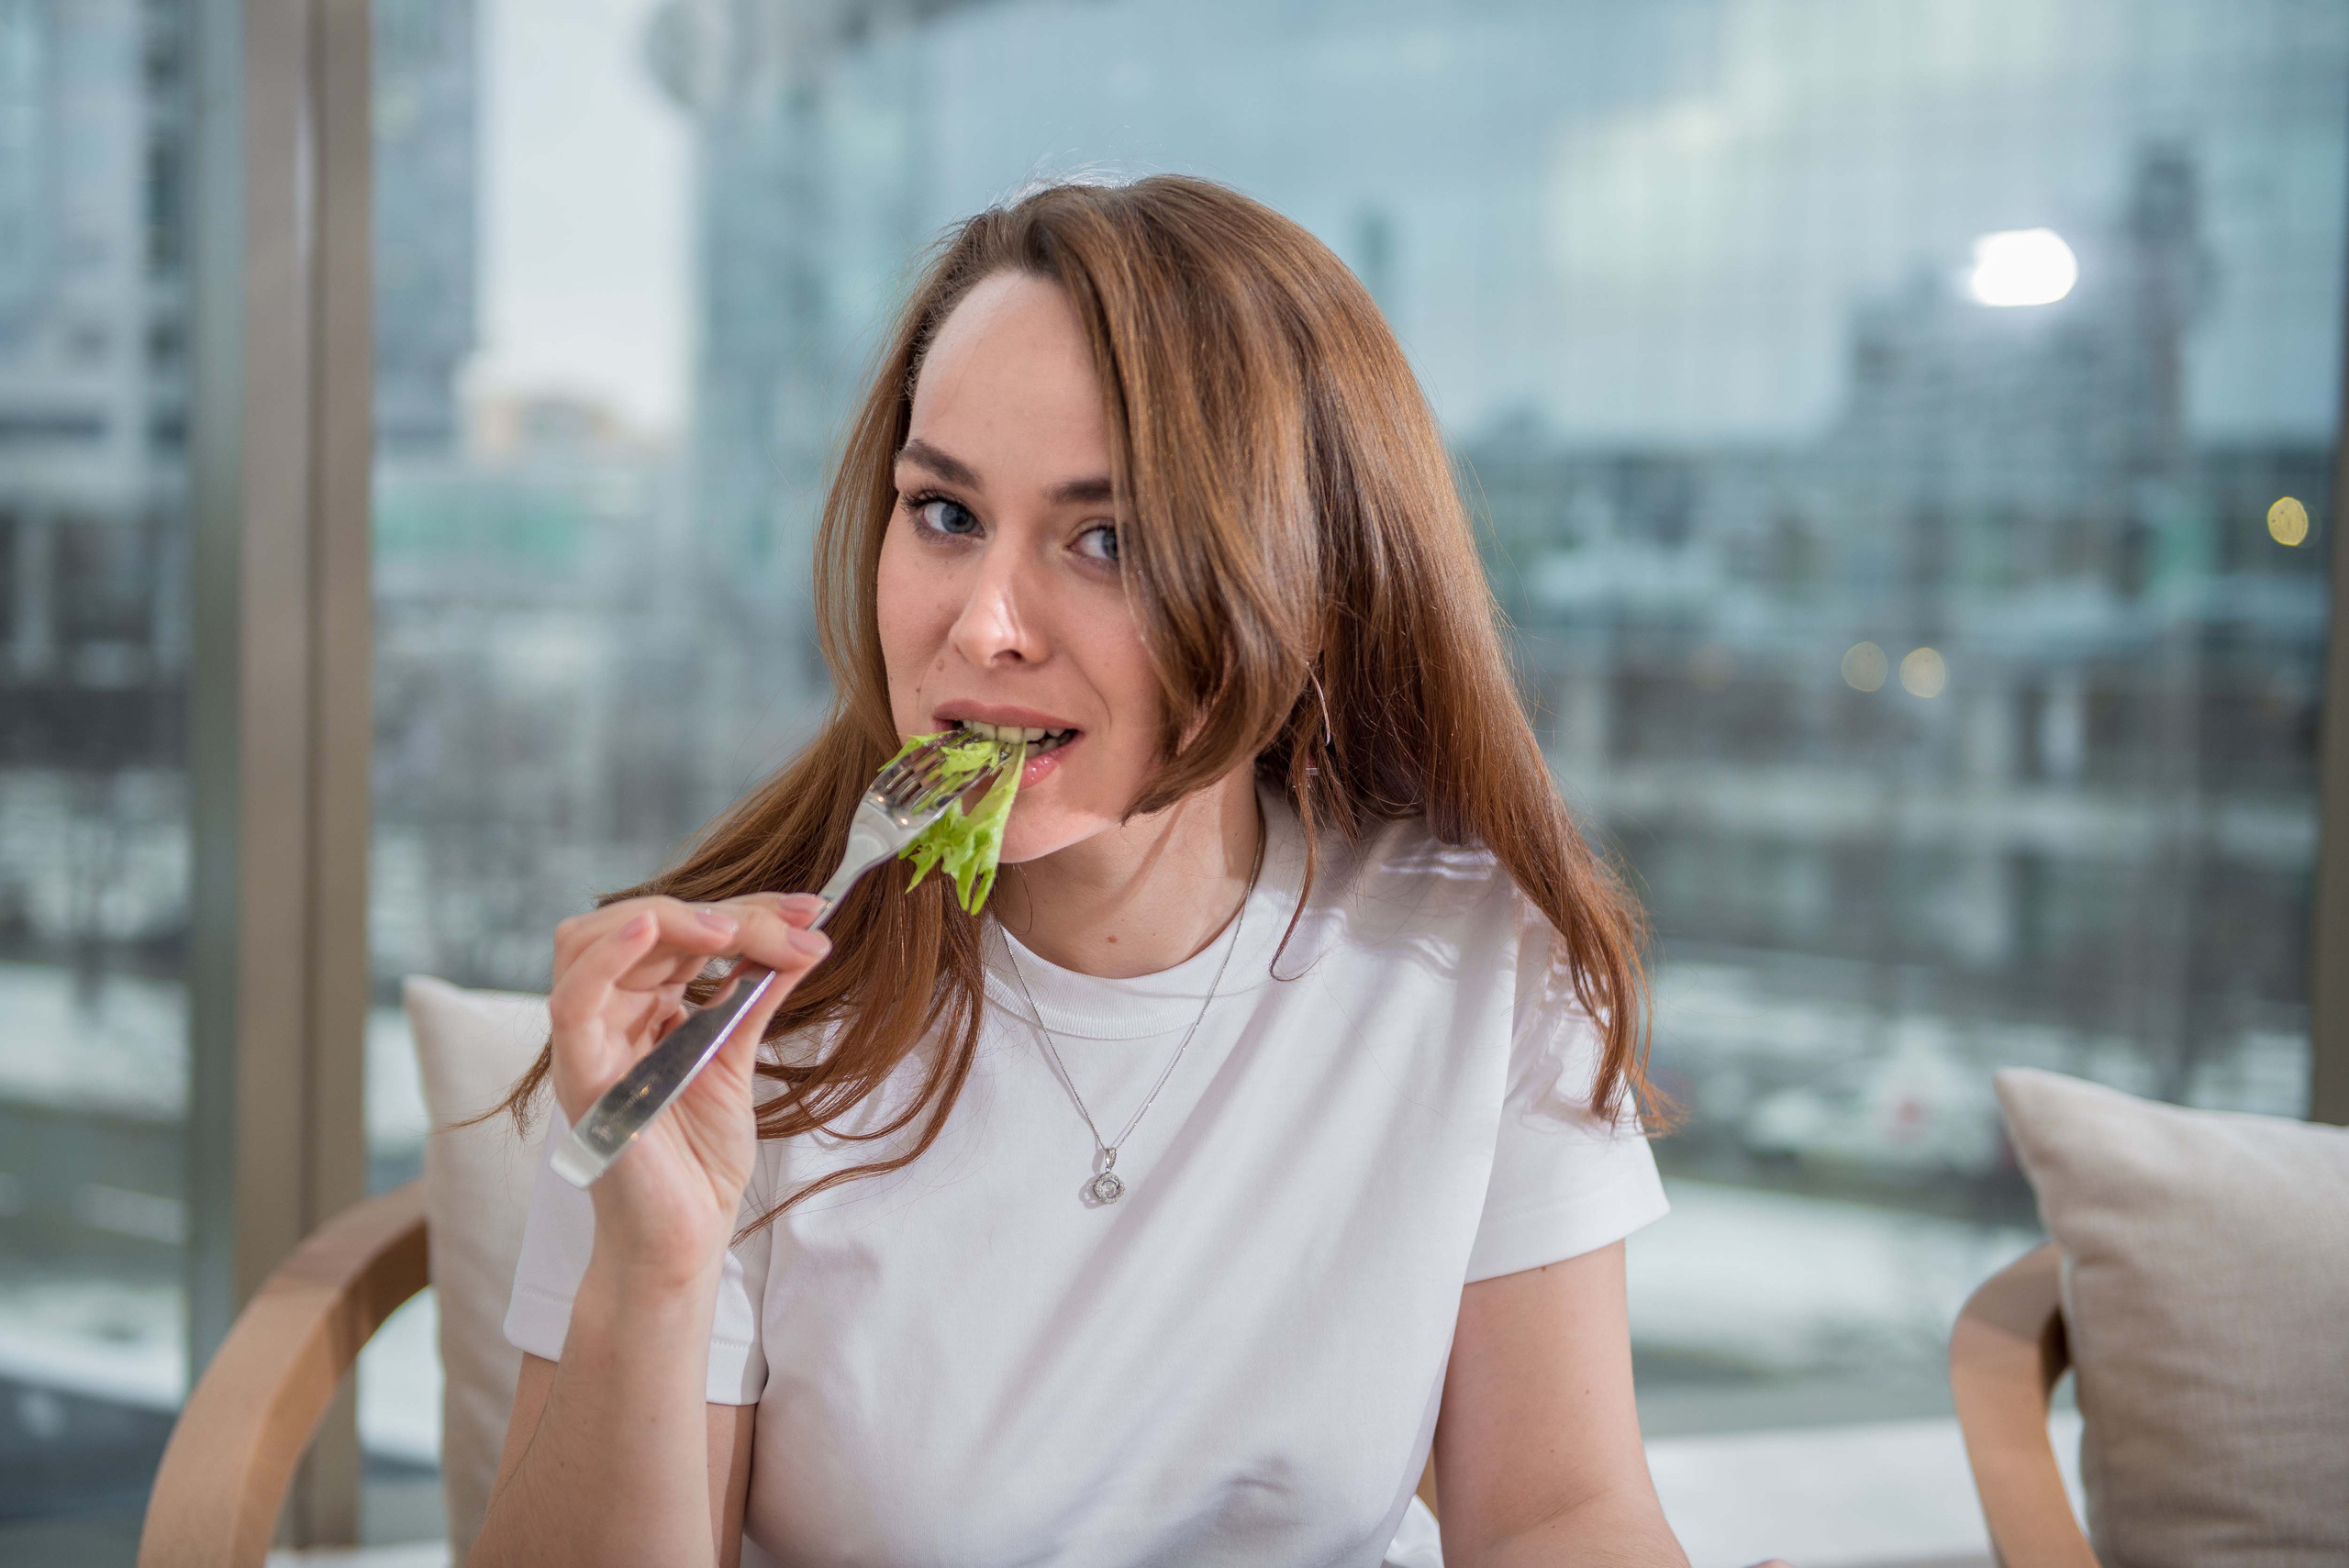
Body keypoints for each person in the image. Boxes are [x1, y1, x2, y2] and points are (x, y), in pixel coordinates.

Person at [472, 174, 1690, 1568]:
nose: (982, 624)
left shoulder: (1472, 956)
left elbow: (1557, 1511)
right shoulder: (731, 1031)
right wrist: (653, 1271)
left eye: (1104, 539)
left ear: (1305, 578)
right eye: (942, 513)